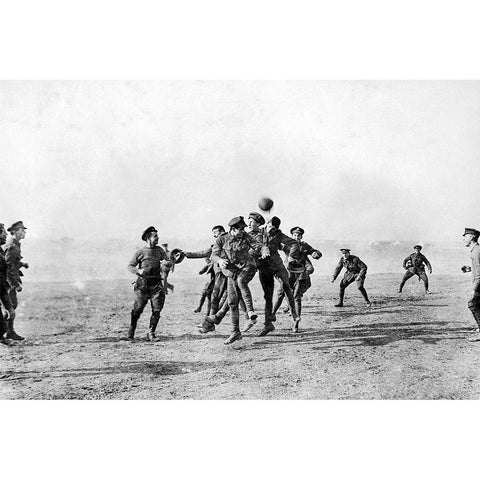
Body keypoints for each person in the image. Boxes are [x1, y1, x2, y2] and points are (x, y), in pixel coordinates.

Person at [204, 216, 263, 344]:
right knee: (232, 301)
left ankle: (250, 311)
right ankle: (235, 332)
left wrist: (259, 252)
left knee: (241, 282)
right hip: (232, 272)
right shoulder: (222, 239)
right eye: (240, 229)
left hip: (247, 268)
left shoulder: (246, 237)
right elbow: (213, 255)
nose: (243, 231)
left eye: (243, 229)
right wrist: (220, 260)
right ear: (233, 229)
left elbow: (259, 245)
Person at [253, 216, 302, 336]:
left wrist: (291, 256)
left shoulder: (279, 235)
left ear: (277, 228)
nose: (270, 230)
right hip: (264, 267)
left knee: (286, 286)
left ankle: (294, 314)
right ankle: (268, 324)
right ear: (265, 226)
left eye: (273, 228)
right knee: (268, 296)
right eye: (269, 227)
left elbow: (294, 243)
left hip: (277, 264)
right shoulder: (259, 232)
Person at [127, 226, 172, 341]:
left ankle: (151, 333)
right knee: (137, 310)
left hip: (156, 284)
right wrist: (138, 271)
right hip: (142, 285)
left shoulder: (160, 250)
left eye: (157, 236)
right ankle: (131, 330)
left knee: (157, 310)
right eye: (155, 236)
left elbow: (168, 262)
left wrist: (167, 263)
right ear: (148, 238)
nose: (158, 238)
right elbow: (130, 266)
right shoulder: (140, 252)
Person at [272, 226, 322, 328]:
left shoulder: (304, 245)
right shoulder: (286, 244)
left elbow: (316, 252)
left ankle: (296, 324)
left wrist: (315, 254)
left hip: (299, 274)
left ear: (301, 236)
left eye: (298, 235)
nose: (296, 237)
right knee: (281, 293)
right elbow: (274, 246)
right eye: (294, 235)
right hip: (288, 273)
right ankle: (272, 314)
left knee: (297, 297)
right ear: (291, 236)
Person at [183, 225, 225, 315]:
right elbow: (204, 254)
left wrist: (186, 254)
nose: (214, 235)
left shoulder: (225, 241)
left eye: (215, 232)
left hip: (223, 273)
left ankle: (211, 317)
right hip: (218, 274)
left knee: (217, 296)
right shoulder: (221, 242)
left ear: (221, 231)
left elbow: (204, 253)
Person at [4, 221, 29, 341]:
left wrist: (21, 264)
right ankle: (8, 332)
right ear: (14, 232)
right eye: (21, 230)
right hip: (8, 282)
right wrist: (15, 284)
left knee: (11, 307)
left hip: (9, 281)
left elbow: (12, 263)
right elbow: (8, 267)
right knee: (10, 308)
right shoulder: (12, 246)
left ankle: (8, 332)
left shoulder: (15, 244)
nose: (24, 232)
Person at [461, 227, 480, 342]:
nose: (463, 238)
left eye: (465, 236)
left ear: (472, 237)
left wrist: (474, 288)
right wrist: (469, 269)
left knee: (472, 304)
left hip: (479, 284)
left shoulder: (476, 251)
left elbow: (479, 273)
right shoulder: (475, 249)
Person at [0, 223, 15, 345]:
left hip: (2, 288)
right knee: (2, 325)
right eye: (3, 232)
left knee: (6, 317)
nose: (6, 234)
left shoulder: (0, 250)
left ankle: (2, 337)